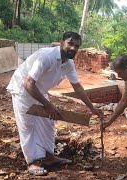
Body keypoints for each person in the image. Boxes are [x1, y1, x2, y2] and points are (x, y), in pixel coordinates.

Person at [7, 31, 103, 176]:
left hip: (39, 90)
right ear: (61, 42)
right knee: (28, 125)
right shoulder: (46, 57)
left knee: (48, 123)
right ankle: (32, 161)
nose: (73, 48)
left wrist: (93, 108)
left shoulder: (69, 63)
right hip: (23, 89)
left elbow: (77, 87)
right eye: (70, 43)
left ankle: (49, 157)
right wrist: (47, 104)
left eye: (76, 46)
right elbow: (28, 83)